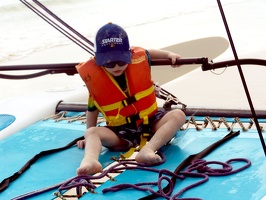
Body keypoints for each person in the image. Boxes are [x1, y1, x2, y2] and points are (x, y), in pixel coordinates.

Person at [75, 22, 186, 175]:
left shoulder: (138, 59)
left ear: (129, 55)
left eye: (121, 61)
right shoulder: (95, 82)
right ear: (99, 61)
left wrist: (168, 55)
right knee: (92, 132)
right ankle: (90, 160)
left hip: (150, 122)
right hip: (120, 133)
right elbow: (92, 111)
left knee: (178, 115)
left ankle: (148, 150)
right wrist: (88, 139)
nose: (116, 66)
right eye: (109, 63)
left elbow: (149, 53)